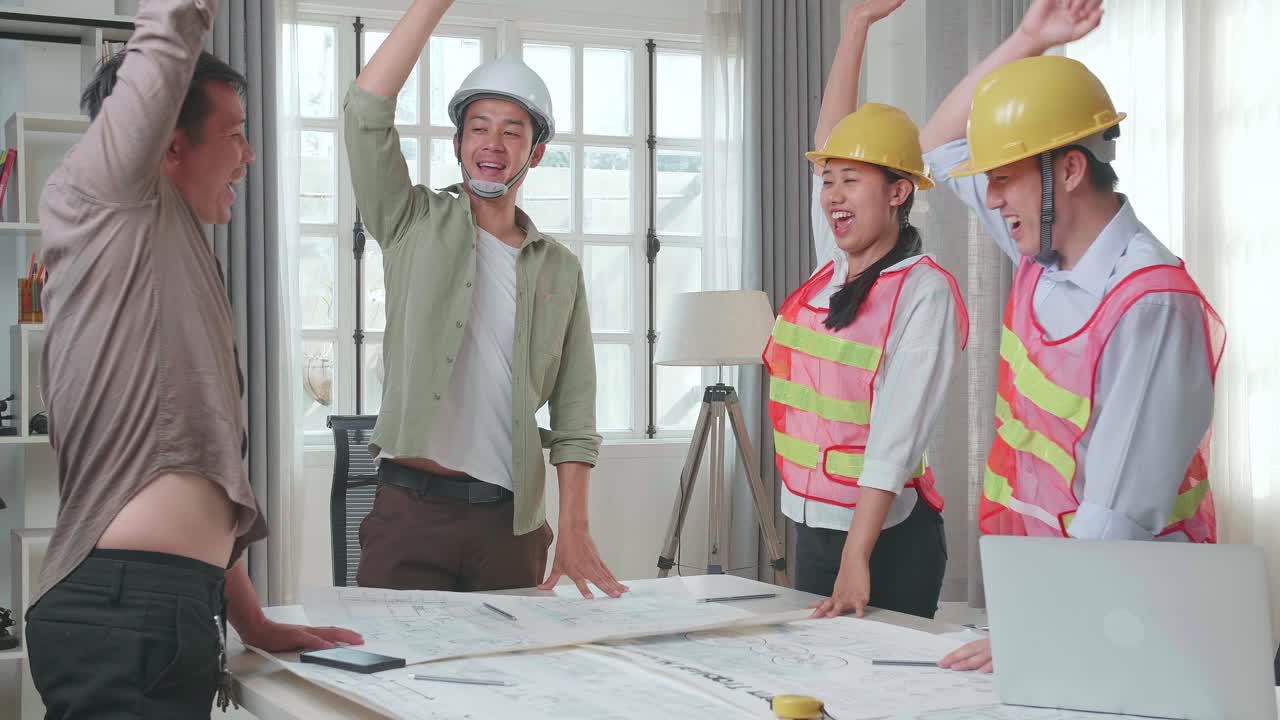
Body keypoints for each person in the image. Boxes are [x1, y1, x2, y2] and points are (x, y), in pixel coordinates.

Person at [25, 1, 362, 717]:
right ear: (166, 144)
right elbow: (165, 38)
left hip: (165, 606)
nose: (248, 155)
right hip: (125, 610)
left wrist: (253, 620)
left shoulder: (173, 262)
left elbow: (203, 477)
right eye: (234, 136)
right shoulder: (106, 196)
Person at [920, 0, 1224, 672]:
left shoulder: (1151, 303)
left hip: (1135, 614)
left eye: (1004, 178)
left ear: (1068, 171)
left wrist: (1038, 628)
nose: (990, 199)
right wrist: (1028, 38)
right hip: (1065, 602)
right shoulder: (1042, 249)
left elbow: (1116, 514)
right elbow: (937, 146)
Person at [344, 0, 627, 599]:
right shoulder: (410, 220)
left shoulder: (560, 270)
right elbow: (365, 110)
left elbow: (574, 418)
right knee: (389, 688)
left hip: (510, 528)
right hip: (408, 518)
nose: (492, 142)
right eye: (478, 127)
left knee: (510, 690)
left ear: (536, 152)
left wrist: (574, 527)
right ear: (457, 144)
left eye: (511, 130)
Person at [764, 0, 969, 622]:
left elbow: (894, 442)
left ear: (898, 191)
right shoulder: (834, 269)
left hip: (884, 541)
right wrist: (855, 28)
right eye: (828, 182)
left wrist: (858, 558)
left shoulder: (924, 293)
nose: (833, 195)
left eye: (851, 180)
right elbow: (830, 140)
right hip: (815, 531)